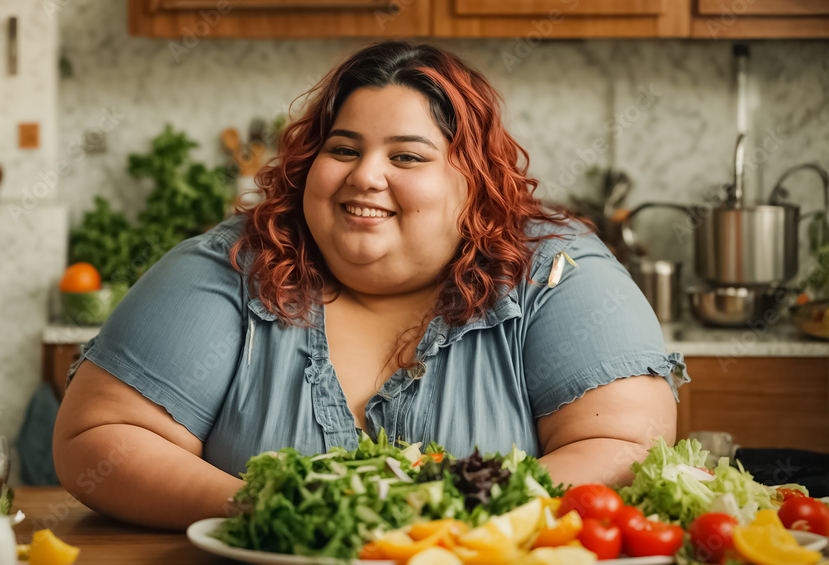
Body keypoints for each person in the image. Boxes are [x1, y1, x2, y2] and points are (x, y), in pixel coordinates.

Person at [52, 41, 687, 529]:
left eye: (407, 156)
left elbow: (625, 447)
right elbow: (97, 444)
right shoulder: (227, 267)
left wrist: (447, 525)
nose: (366, 176)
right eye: (344, 149)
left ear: (475, 183)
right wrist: (281, 511)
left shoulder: (556, 272)